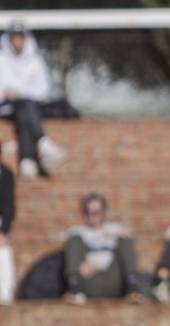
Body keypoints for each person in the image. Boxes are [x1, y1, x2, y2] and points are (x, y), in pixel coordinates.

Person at [0, 22, 66, 179]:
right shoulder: (1, 60)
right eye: (14, 38)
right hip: (6, 106)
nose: (17, 41)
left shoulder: (35, 60)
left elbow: (42, 89)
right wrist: (6, 94)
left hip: (28, 105)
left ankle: (27, 161)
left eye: (20, 37)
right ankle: (42, 144)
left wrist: (21, 94)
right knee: (26, 110)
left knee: (25, 111)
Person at [64, 192, 149, 302]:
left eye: (95, 212)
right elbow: (59, 237)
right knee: (74, 239)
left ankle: (132, 286)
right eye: (88, 212)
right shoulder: (78, 232)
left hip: (113, 278)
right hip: (88, 280)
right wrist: (81, 266)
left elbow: (132, 236)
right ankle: (73, 286)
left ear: (103, 212)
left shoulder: (115, 229)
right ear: (84, 213)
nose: (92, 215)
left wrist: (117, 233)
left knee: (126, 239)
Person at [0, 159, 13, 303]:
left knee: (3, 252)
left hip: (1, 223)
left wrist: (3, 231)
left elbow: (10, 206)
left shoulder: (6, 174)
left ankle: (5, 294)